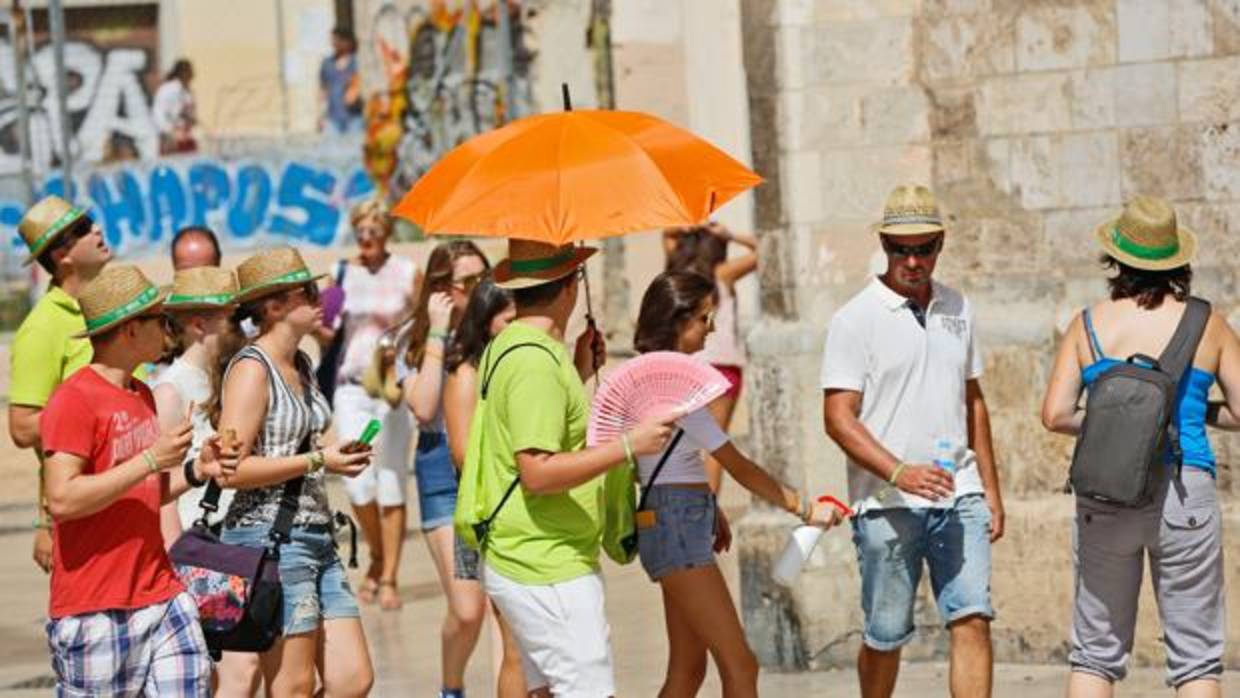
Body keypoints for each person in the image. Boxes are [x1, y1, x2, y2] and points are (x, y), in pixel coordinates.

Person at [1041, 195, 1233, 698]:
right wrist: (1195, 411)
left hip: (1106, 491)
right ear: (1177, 260)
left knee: (1095, 653)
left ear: (1116, 259)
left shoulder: (1086, 324)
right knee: (1196, 660)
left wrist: (1116, 426)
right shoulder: (1207, 323)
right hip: (1184, 490)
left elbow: (1055, 414)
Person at [465, 239, 674, 697]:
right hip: (545, 562)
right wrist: (627, 444)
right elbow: (537, 472)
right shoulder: (534, 363)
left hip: (531, 554)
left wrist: (578, 368)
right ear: (568, 289)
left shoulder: (511, 346)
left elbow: (529, 425)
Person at [821, 185, 1003, 698]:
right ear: (884, 244)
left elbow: (974, 401)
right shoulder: (854, 319)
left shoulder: (958, 306)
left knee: (972, 618)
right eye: (901, 248)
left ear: (940, 245)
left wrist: (990, 489)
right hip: (886, 502)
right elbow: (837, 418)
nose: (913, 260)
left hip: (959, 491)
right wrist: (900, 471)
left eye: (924, 248)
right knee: (886, 634)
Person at [633, 270, 841, 697]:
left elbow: (679, 465)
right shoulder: (676, 384)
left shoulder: (647, 376)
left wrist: (708, 510)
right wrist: (804, 508)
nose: (712, 331)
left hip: (673, 517)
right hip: (676, 524)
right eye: (705, 319)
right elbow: (738, 466)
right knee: (740, 665)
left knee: (688, 669)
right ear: (678, 319)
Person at [41, 265, 234, 696]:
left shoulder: (141, 392)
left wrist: (195, 470)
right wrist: (150, 459)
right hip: (94, 607)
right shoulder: (74, 399)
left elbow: (140, 492)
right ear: (130, 330)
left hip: (160, 593)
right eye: (159, 320)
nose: (168, 330)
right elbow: (63, 499)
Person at [216, 247, 375, 697]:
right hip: (270, 540)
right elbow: (231, 470)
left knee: (352, 679)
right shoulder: (252, 369)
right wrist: (320, 460)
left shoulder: (302, 363)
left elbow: (302, 443)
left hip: (316, 536)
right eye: (307, 291)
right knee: (292, 685)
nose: (318, 297)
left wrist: (334, 450)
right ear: (273, 306)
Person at [150, 266, 261, 697]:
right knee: (239, 670)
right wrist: (179, 569)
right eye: (234, 318)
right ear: (199, 324)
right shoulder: (171, 391)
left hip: (237, 545)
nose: (245, 326)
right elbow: (159, 491)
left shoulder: (226, 379)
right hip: (199, 551)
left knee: (249, 670)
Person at [398, 240, 490, 696]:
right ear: (441, 289)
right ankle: (451, 688)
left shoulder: (496, 331)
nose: (479, 290)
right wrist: (437, 332)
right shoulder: (411, 342)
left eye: (483, 278)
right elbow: (424, 404)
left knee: (506, 609)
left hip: (494, 467)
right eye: (468, 282)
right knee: (469, 607)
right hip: (442, 476)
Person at [8, 195, 112, 574]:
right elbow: (22, 427)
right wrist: (101, 417)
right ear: (61, 256)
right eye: (83, 229)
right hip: (86, 510)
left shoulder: (109, 308)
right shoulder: (42, 328)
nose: (97, 230)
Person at [331, 198, 420, 611]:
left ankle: (388, 575)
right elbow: (328, 330)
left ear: (386, 231)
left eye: (374, 230)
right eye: (360, 230)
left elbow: (422, 326)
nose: (366, 238)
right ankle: (379, 551)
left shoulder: (406, 273)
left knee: (389, 479)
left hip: (389, 391)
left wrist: (407, 364)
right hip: (351, 388)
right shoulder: (341, 273)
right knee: (356, 480)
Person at [442, 277, 525, 698]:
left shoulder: (514, 366)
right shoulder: (467, 372)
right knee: (515, 644)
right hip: (491, 514)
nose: (518, 330)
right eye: (509, 321)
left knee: (529, 646)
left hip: (523, 509)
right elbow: (462, 453)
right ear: (486, 320)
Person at [663, 221, 758, 492]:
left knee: (684, 444)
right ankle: (710, 513)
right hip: (723, 369)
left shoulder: (677, 274)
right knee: (716, 447)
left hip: (688, 366)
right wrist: (731, 234)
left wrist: (689, 225)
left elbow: (666, 233)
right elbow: (766, 250)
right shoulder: (723, 274)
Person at [319, 26, 363, 135]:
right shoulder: (327, 63)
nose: (335, 43)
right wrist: (321, 116)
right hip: (332, 118)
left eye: (338, 40)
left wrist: (355, 90)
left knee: (354, 150)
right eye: (334, 40)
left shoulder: (357, 62)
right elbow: (323, 91)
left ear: (348, 41)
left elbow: (361, 86)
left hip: (354, 118)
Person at [154, 59, 197, 154]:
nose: (193, 76)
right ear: (182, 73)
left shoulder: (188, 92)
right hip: (171, 138)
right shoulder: (168, 89)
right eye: (190, 72)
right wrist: (168, 133)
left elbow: (188, 112)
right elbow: (158, 113)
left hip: (186, 138)